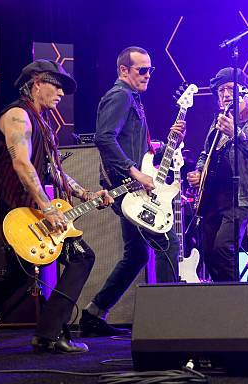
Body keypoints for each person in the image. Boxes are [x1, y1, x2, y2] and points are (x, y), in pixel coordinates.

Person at [0, 60, 113, 354]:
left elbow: (50, 169)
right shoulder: (18, 116)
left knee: (17, 276)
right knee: (81, 257)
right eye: (55, 85)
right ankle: (48, 335)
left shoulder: (41, 121)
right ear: (36, 83)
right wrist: (48, 209)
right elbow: (21, 162)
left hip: (30, 209)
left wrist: (86, 194)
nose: (61, 93)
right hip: (15, 210)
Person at [80, 47, 185, 336]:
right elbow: (104, 138)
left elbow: (135, 149)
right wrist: (134, 171)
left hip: (132, 188)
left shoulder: (132, 98)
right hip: (128, 189)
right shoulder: (120, 96)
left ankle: (93, 314)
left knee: (137, 254)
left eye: (151, 70)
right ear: (124, 71)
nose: (148, 75)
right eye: (142, 70)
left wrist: (163, 147)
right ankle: (168, 323)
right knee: (167, 243)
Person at [186, 67, 248, 282]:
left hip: (241, 197)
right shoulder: (218, 122)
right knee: (207, 251)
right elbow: (206, 153)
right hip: (213, 199)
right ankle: (222, 298)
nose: (225, 95)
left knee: (223, 248)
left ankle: (236, 299)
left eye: (230, 89)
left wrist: (236, 133)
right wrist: (199, 171)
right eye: (220, 91)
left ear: (243, 92)